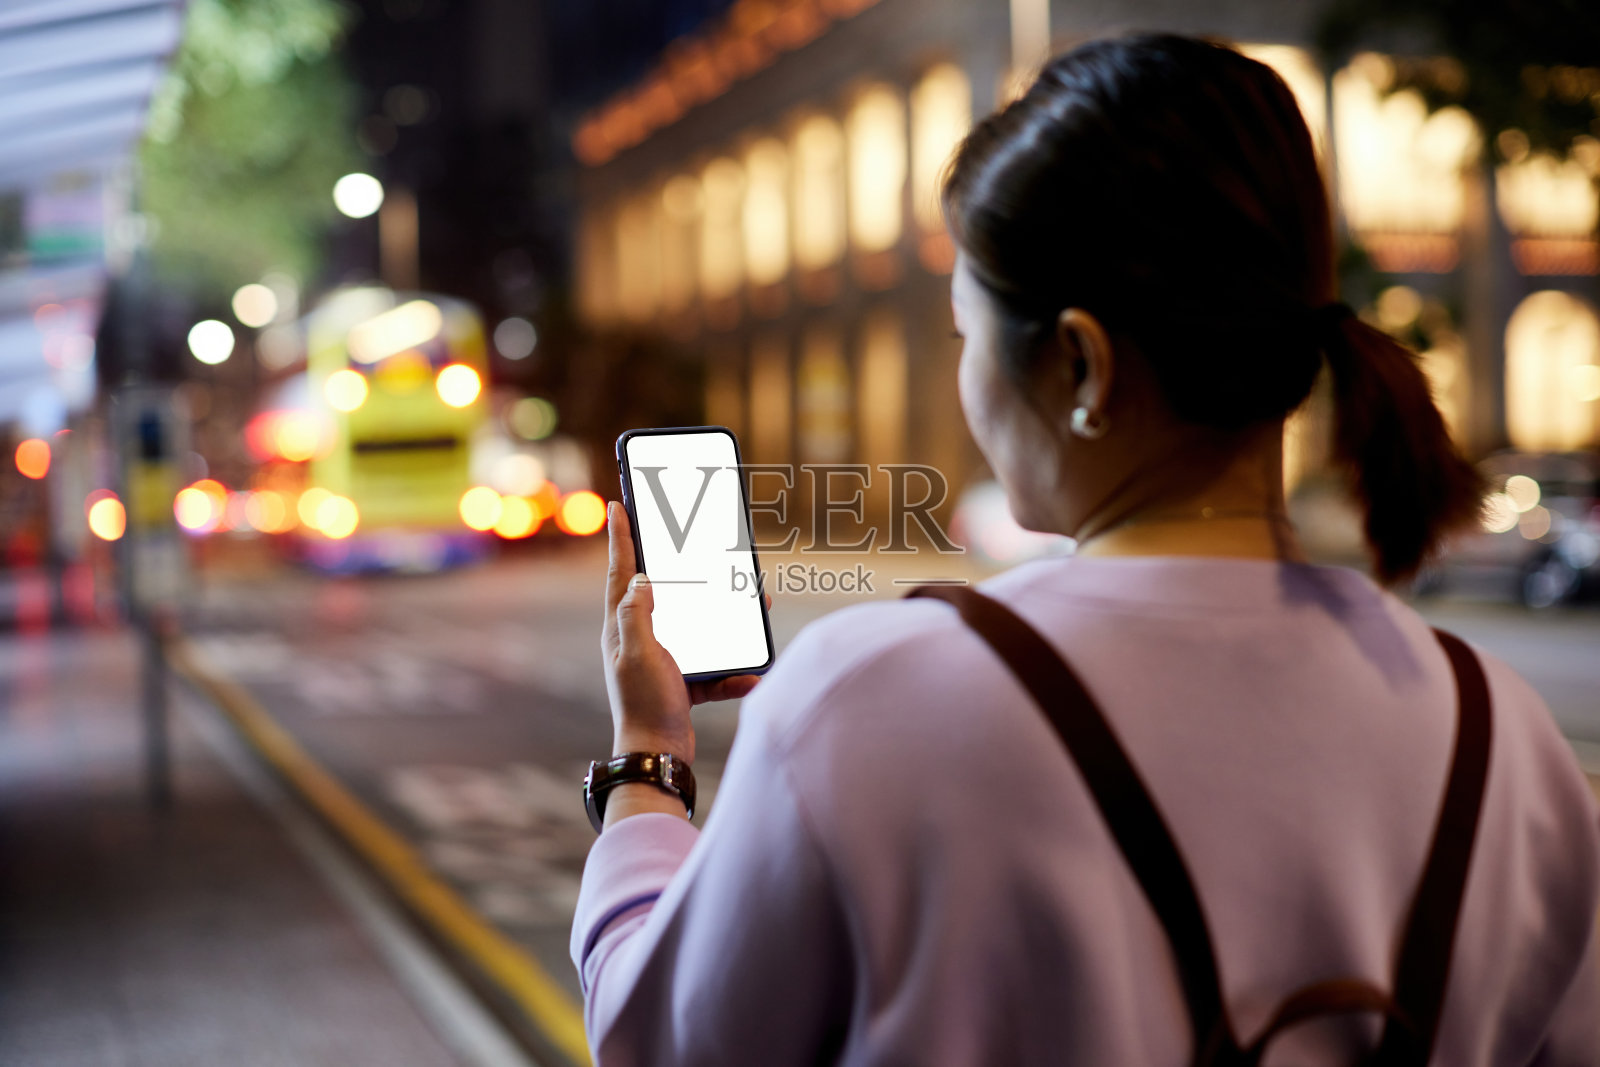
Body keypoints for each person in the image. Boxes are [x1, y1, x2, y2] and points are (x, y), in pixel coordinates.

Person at [570, 33, 1600, 1066]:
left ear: (1079, 364)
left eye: (966, 333)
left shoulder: (869, 698)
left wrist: (645, 765)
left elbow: (654, 1042)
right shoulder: (1498, 734)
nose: (966, 376)